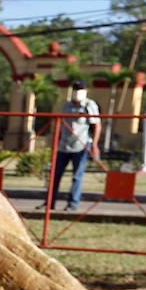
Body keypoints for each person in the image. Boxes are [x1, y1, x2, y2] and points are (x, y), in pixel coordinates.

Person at [48, 79, 100, 212]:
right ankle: (49, 203)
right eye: (75, 89)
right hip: (64, 146)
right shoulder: (66, 106)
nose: (77, 92)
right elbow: (61, 126)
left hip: (81, 145)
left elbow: (96, 125)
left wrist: (94, 145)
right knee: (55, 175)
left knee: (77, 176)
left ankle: (72, 204)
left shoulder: (89, 105)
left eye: (79, 89)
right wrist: (55, 142)